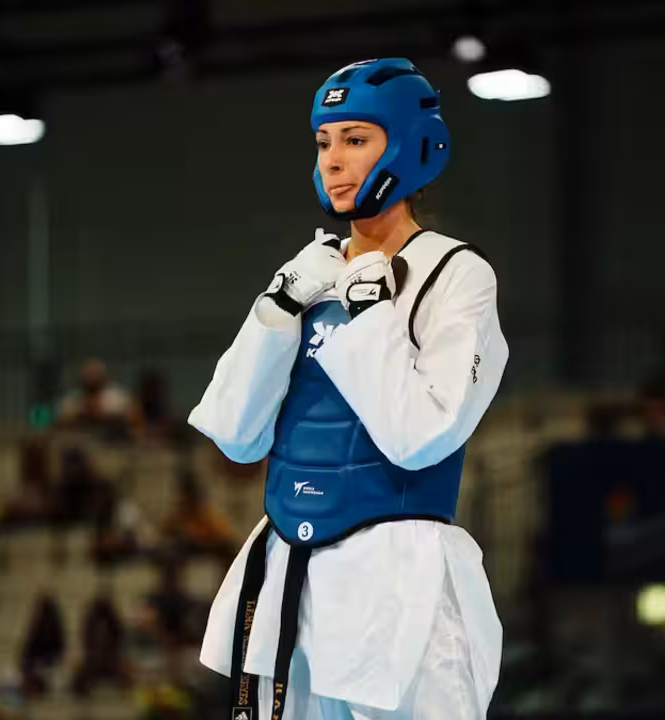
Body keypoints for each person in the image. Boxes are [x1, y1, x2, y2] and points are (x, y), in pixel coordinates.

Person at [188, 58, 507, 720]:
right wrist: (275, 312)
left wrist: (371, 312)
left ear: (413, 147)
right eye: (323, 142)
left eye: (355, 139)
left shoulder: (456, 275)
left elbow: (421, 438)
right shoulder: (311, 272)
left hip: (400, 583)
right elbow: (235, 436)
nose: (333, 161)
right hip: (291, 574)